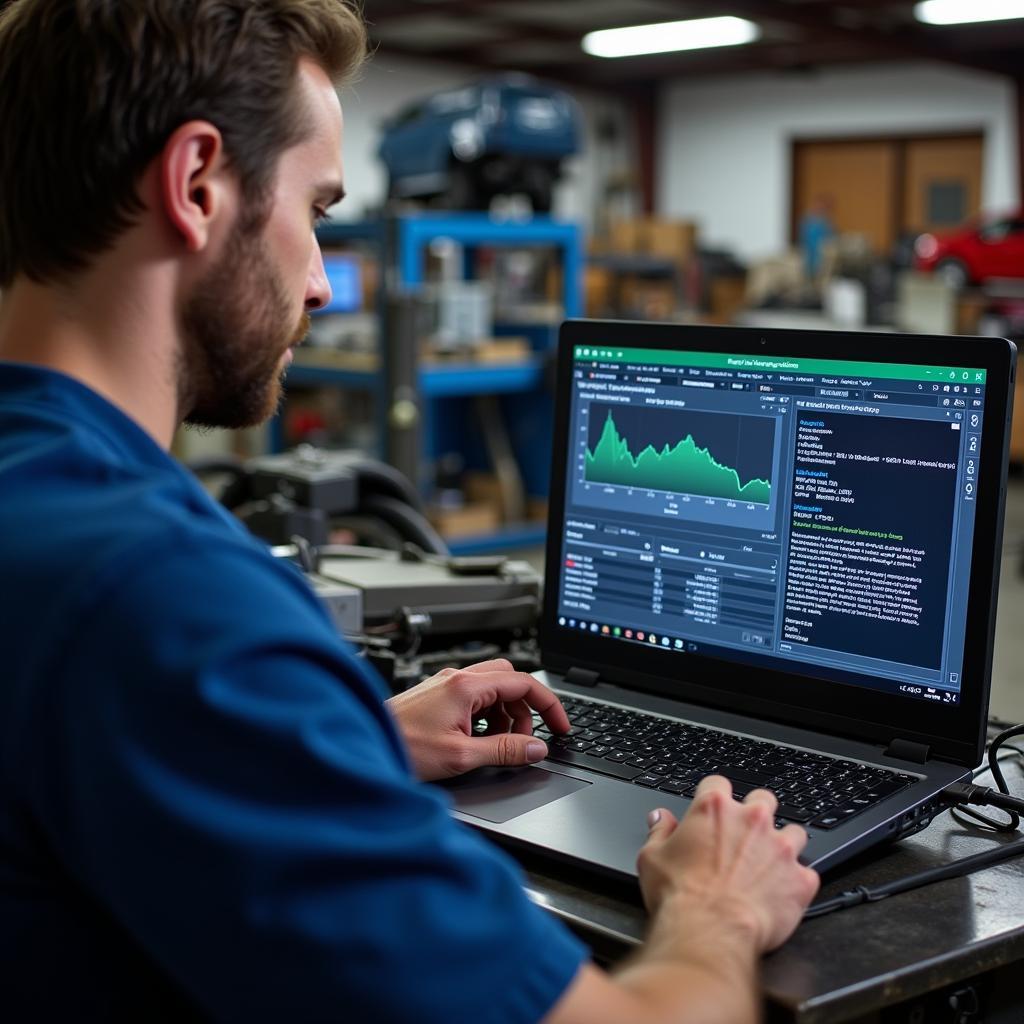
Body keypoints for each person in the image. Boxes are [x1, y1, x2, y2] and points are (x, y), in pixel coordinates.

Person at [0, 2, 819, 1021]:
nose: (320, 286)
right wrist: (715, 907)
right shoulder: (169, 605)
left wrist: (342, 745)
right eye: (317, 212)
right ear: (197, 183)